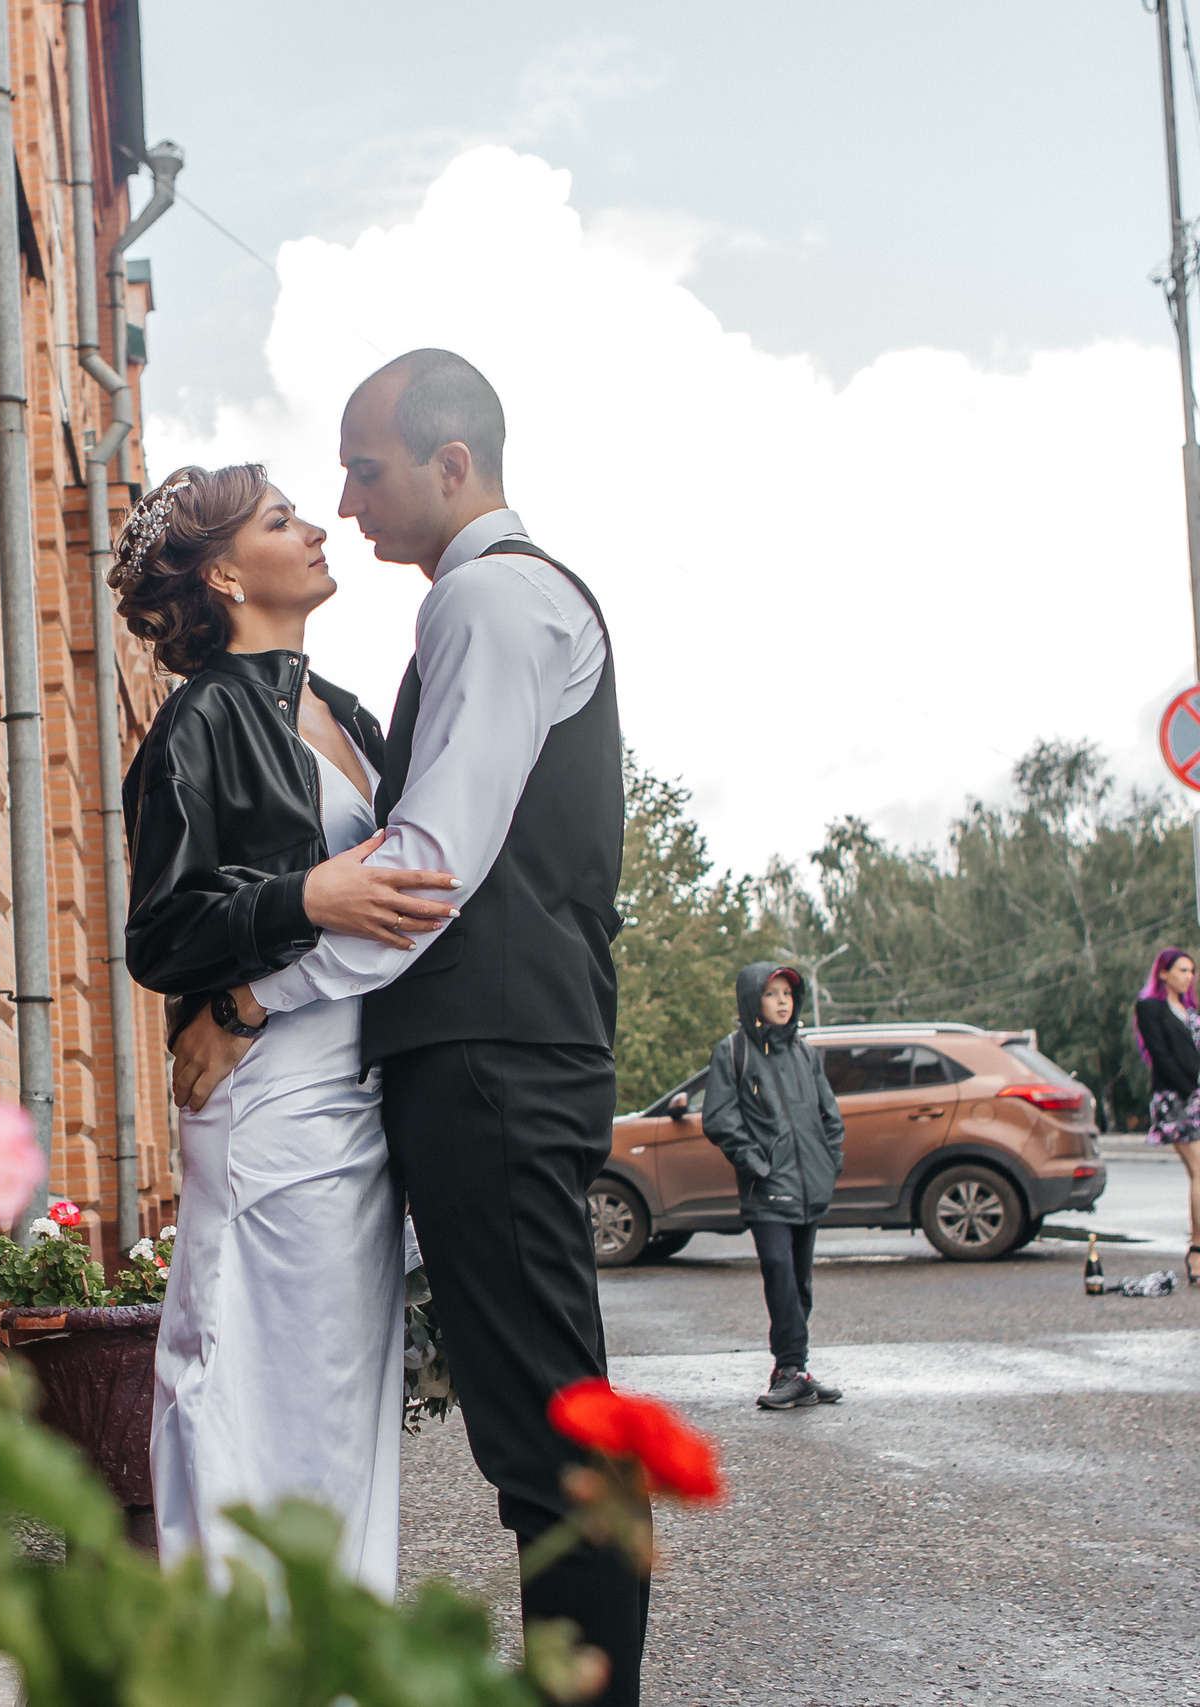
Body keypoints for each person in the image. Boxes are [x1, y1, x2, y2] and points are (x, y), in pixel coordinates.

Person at [166, 351, 646, 1705]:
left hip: (489, 1058)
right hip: (499, 1052)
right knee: (541, 1421)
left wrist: (258, 995)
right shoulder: (486, 603)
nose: (343, 496)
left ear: (451, 466)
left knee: (548, 1431)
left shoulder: (491, 601)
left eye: (364, 466)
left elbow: (426, 871)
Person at [113, 461, 457, 1595]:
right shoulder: (197, 721)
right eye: (279, 520)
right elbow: (160, 936)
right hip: (265, 1108)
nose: (316, 529)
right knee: (237, 1388)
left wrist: (266, 976)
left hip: (354, 1094)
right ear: (223, 573)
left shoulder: (344, 709)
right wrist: (304, 898)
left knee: (336, 1392)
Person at [701, 963, 846, 1410]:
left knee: (800, 1280)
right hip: (767, 1189)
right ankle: (790, 1369)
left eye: (788, 993)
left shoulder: (805, 1053)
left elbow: (831, 1117)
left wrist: (829, 1163)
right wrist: (756, 1164)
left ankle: (795, 1369)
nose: (783, 1001)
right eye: (772, 993)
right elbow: (719, 1119)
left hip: (809, 1189)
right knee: (779, 1271)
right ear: (753, 1000)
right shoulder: (733, 1052)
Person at [1131, 945, 1200, 1286]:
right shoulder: (1150, 1007)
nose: (1189, 977)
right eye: (1182, 970)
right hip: (1176, 1098)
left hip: (1198, 1097)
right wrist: (1191, 1089)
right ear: (1163, 973)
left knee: (1198, 1176)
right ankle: (1198, 1250)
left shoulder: (1191, 1010)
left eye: (1192, 971)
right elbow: (1160, 1055)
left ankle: (1197, 1253)